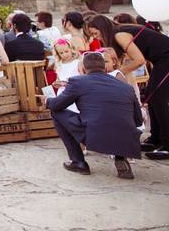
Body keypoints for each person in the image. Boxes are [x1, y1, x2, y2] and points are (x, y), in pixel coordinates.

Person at [44, 51, 141, 179]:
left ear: (83, 68)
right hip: (127, 139)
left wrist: (47, 101)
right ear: (105, 68)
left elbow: (57, 105)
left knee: (56, 112)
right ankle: (120, 156)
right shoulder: (126, 87)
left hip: (95, 136)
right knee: (117, 120)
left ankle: (78, 162)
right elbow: (138, 120)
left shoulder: (78, 82)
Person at [89, 15, 169, 160]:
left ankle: (167, 143)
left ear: (102, 28)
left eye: (96, 33)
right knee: (151, 96)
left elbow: (139, 60)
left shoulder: (120, 34)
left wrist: (118, 73)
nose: (96, 37)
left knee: (158, 98)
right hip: (161, 60)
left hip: (166, 58)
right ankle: (156, 138)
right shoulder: (118, 33)